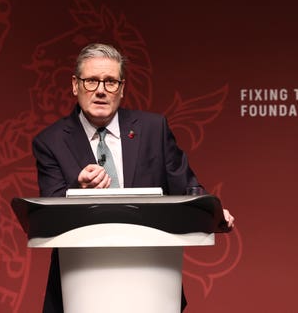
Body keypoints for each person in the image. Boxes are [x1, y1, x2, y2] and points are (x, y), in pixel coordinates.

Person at [32, 42, 235, 312]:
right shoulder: (50, 141)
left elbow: (186, 187)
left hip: (151, 280)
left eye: (110, 82)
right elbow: (48, 215)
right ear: (75, 85)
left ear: (122, 88)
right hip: (80, 283)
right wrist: (76, 190)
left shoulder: (153, 129)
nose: (101, 90)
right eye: (91, 81)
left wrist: (212, 212)